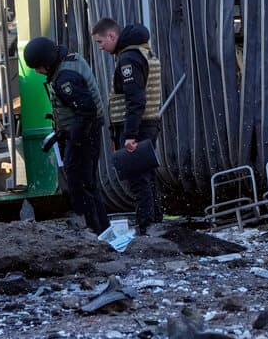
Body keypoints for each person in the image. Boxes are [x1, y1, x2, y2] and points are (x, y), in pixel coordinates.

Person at [22, 36, 109, 235]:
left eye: (38, 67)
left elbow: (86, 110)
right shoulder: (70, 60)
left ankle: (94, 230)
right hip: (85, 132)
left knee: (80, 184)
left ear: (46, 62)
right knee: (87, 183)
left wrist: (75, 140)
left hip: (84, 136)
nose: (37, 72)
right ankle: (101, 229)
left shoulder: (65, 78)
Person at [91, 18, 163, 234]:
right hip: (147, 123)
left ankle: (146, 227)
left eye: (101, 42)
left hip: (137, 127)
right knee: (147, 175)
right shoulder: (142, 51)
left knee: (137, 179)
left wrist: (130, 135)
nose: (101, 47)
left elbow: (135, 99)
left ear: (112, 36)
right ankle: (155, 223)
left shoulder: (129, 59)